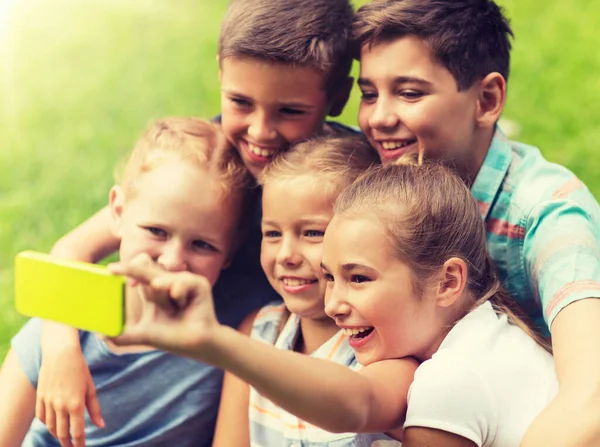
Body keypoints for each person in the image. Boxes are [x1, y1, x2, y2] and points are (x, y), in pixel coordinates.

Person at [34, 0, 358, 445]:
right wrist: (59, 352)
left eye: (290, 111)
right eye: (240, 102)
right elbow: (72, 251)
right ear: (222, 76)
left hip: (279, 361)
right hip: (185, 359)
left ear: (337, 97)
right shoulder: (214, 167)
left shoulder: (347, 176)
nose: (260, 132)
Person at [109, 156, 558, 447]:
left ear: (448, 282)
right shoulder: (492, 330)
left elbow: (357, 401)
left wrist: (212, 341)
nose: (335, 302)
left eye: (358, 278)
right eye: (330, 276)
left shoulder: (448, 381)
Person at [351, 1, 600, 444]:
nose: (378, 118)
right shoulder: (377, 183)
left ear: (486, 100)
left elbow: (590, 397)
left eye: (409, 93)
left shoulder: (548, 214)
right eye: (368, 93)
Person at [0, 117, 258, 447]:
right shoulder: (58, 331)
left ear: (231, 251)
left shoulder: (237, 328)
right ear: (118, 213)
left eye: (203, 245)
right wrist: (60, 351)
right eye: (156, 231)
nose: (172, 261)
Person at [213, 135, 401, 446]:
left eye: (312, 232)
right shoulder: (258, 334)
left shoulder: (383, 352)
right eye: (272, 233)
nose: (286, 254)